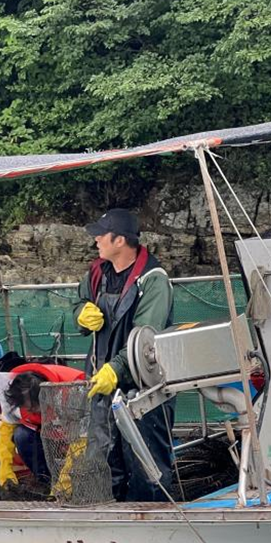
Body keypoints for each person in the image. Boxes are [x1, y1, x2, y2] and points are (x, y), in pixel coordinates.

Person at [75, 208, 174, 502]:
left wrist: (114, 370)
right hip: (102, 385)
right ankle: (108, 521)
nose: (95, 241)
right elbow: (78, 301)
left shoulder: (154, 281)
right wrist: (80, 313)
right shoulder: (96, 273)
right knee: (101, 460)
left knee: (147, 466)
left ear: (120, 241)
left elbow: (145, 342)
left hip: (144, 390)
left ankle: (152, 526)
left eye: (100, 235)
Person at [0, 362, 86, 490]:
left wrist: (65, 484)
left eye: (33, 407)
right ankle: (45, 482)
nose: (30, 410)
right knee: (21, 435)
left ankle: (71, 484)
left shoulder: (72, 393)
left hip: (72, 430)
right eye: (26, 407)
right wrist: (5, 469)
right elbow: (5, 433)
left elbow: (81, 439)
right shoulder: (15, 401)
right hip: (41, 432)